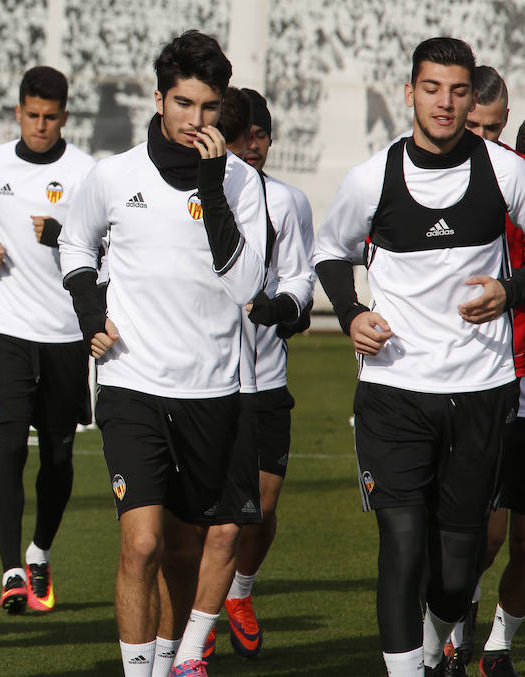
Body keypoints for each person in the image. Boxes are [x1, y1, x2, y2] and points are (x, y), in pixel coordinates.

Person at [314, 38, 525, 677]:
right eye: (432, 88)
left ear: (472, 97)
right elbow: (329, 252)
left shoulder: (506, 172)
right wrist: (352, 315)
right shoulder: (371, 178)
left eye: (458, 90)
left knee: (459, 569)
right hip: (394, 390)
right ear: (409, 92)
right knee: (402, 543)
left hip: (481, 389)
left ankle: (435, 652)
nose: (445, 102)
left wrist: (509, 291)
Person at [59, 30, 267, 677]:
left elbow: (245, 286)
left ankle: (184, 657)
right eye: (182, 103)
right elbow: (73, 243)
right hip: (132, 383)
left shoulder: (240, 184)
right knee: (142, 543)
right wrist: (90, 311)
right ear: (158, 98)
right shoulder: (113, 175)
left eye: (208, 108)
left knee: (192, 547)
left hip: (214, 389)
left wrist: (211, 186)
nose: (195, 120)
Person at [0, 65, 94, 614]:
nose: (40, 126)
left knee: (60, 456)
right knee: (9, 446)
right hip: (8, 330)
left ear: (64, 117)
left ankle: (40, 550)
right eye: (32, 115)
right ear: (18, 112)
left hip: (67, 335)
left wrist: (64, 234)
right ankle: (11, 570)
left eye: (50, 118)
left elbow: (109, 247)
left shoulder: (88, 174)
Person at [200, 88, 316, 663]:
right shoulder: (196, 195)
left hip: (266, 379)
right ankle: (201, 613)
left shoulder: (288, 202)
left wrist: (287, 309)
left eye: (260, 136)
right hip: (203, 382)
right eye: (241, 135)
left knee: (262, 511)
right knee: (207, 518)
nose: (250, 147)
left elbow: (300, 278)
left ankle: (238, 594)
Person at [443, 64, 525, 677]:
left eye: (494, 129)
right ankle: (452, 625)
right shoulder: (431, 182)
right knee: (482, 532)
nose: (484, 141)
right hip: (471, 378)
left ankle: (497, 643)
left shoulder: (514, 188)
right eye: (475, 127)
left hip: (516, 374)